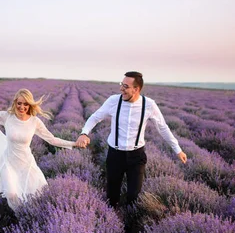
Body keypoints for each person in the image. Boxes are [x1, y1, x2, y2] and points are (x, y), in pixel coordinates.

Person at [0, 85, 83, 212]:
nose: (22, 107)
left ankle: (28, 219)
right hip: (8, 163)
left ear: (30, 105)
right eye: (19, 103)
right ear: (15, 103)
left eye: (25, 104)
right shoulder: (7, 116)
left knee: (36, 195)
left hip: (26, 164)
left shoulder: (35, 122)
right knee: (11, 194)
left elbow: (52, 139)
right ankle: (20, 215)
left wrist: (73, 144)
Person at [76, 71, 187, 207]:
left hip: (136, 156)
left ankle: (130, 221)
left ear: (137, 89)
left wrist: (178, 150)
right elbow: (95, 117)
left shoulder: (149, 105)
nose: (121, 89)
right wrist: (84, 133)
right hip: (115, 154)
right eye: (121, 84)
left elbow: (162, 128)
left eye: (126, 86)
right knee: (112, 195)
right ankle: (112, 220)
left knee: (134, 195)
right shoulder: (113, 101)